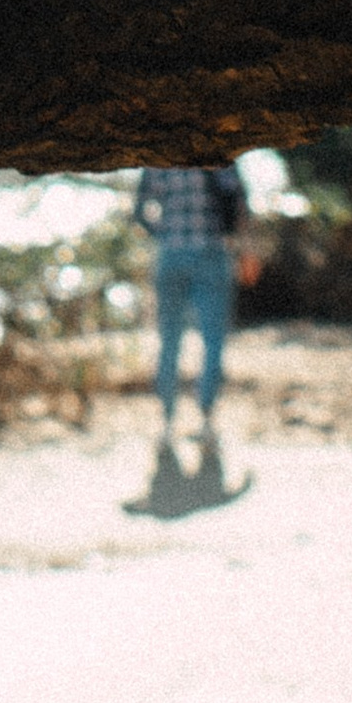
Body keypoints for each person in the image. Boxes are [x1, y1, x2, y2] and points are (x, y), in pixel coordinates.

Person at [133, 161, 250, 477]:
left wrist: (166, 233)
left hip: (170, 255)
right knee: (213, 341)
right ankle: (207, 421)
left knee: (169, 342)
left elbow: (141, 211)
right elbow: (239, 206)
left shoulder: (157, 160)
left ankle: (167, 424)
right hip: (211, 254)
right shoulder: (220, 156)